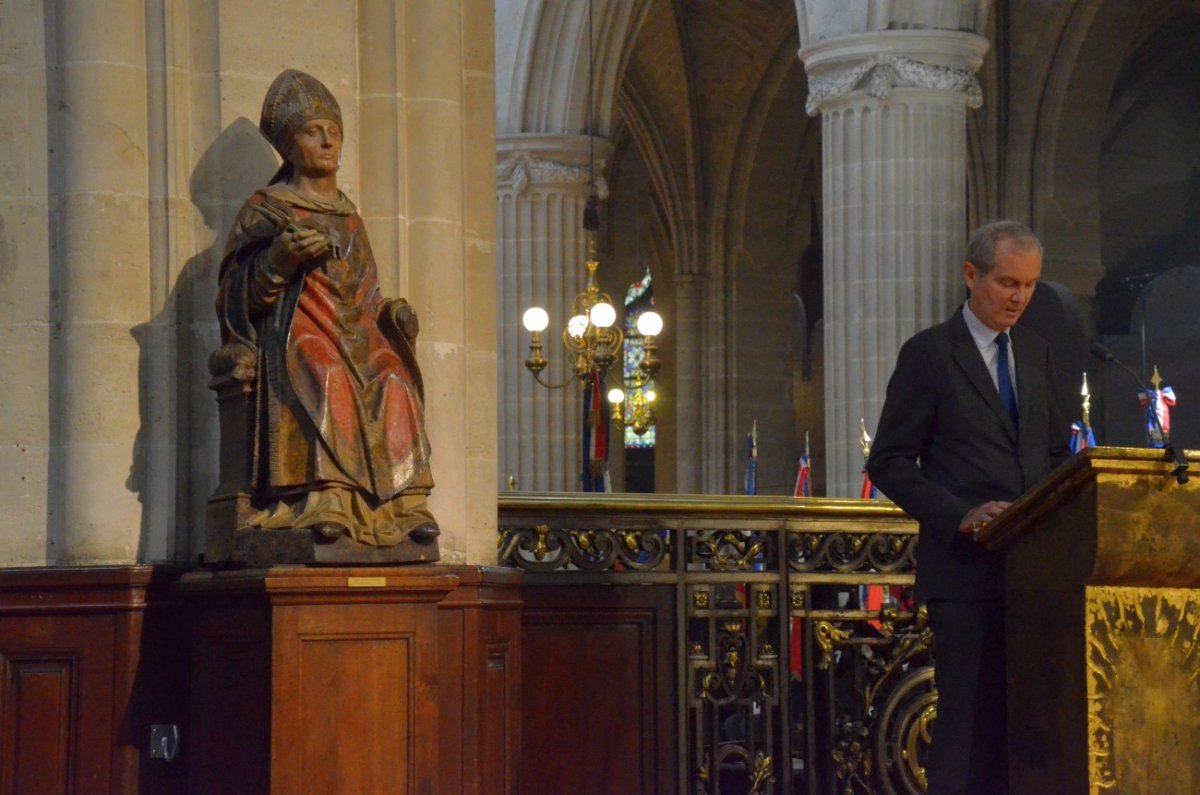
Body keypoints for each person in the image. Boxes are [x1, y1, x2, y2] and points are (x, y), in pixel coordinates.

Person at [866, 220, 1069, 794]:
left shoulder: (1037, 353)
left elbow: (1054, 453)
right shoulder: (929, 354)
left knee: (1025, 723)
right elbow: (889, 461)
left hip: (1031, 573)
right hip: (962, 573)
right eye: (1007, 282)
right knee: (964, 726)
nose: (1019, 298)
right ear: (971, 275)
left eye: (1030, 286)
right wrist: (961, 514)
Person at [216, 69, 438, 548]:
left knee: (393, 377)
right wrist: (279, 258)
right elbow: (234, 296)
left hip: (357, 331)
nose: (326, 141)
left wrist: (394, 315)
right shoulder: (267, 209)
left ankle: (405, 501)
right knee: (324, 371)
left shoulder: (349, 215)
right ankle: (328, 497)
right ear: (290, 147)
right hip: (298, 329)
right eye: (312, 132)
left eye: (333, 132)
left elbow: (369, 291)